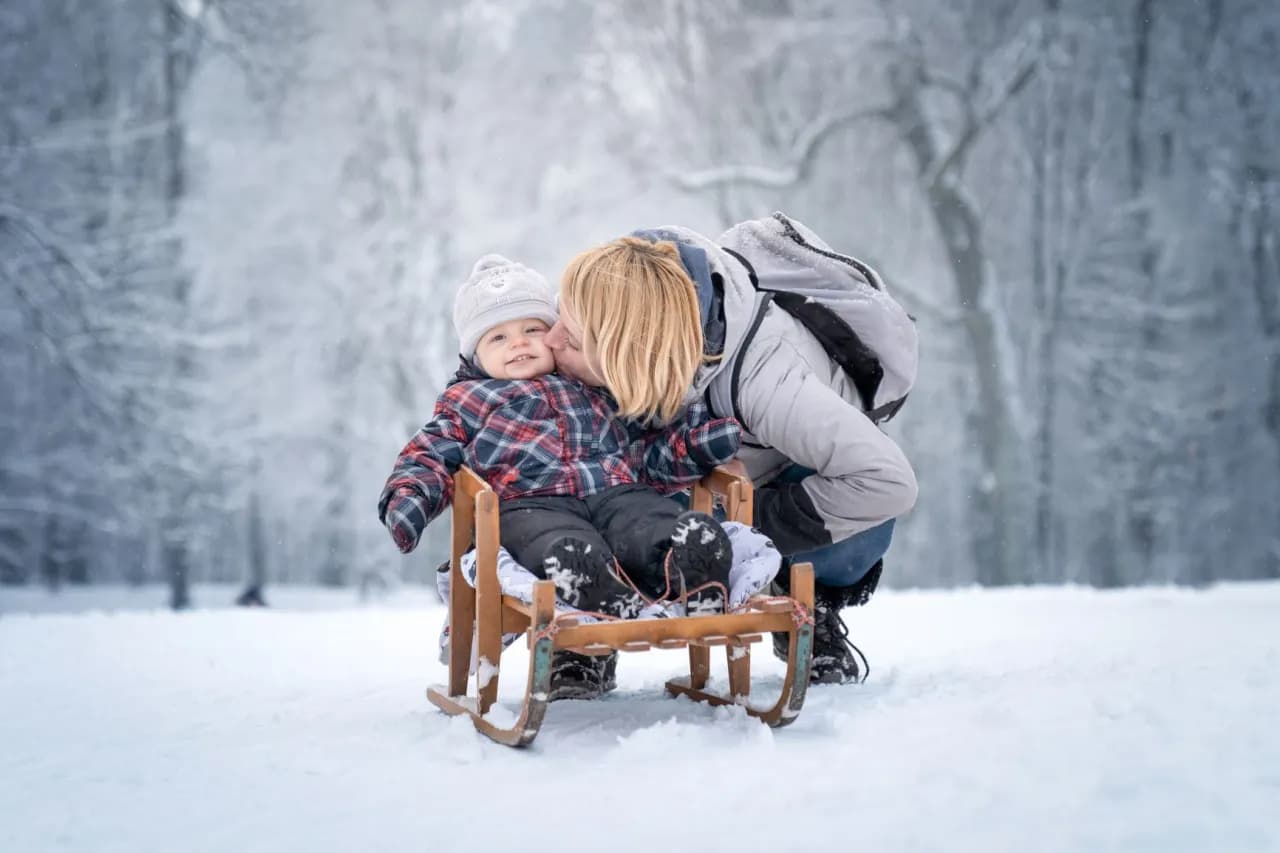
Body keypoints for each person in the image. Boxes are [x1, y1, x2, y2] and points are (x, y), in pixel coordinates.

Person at [545, 234, 918, 684]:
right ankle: (594, 627)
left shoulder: (769, 382)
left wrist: (745, 530)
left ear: (631, 354)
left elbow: (888, 482)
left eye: (573, 339)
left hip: (785, 476)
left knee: (858, 532)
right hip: (692, 474)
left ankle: (807, 597)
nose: (550, 340)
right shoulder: (609, 296)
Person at [377, 254, 745, 697]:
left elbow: (648, 451)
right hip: (529, 503)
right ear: (475, 354)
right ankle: (582, 575)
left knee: (648, 520)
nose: (519, 343)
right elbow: (429, 452)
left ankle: (687, 558)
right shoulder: (467, 400)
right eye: (499, 336)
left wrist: (698, 445)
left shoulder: (591, 385)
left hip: (614, 492)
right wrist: (409, 498)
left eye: (532, 329)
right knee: (552, 539)